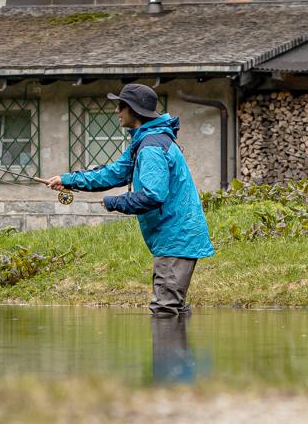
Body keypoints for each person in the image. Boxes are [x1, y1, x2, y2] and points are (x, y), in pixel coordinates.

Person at [43, 83, 215, 314]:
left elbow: (153, 196)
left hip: (176, 237)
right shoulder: (146, 140)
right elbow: (115, 173)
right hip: (173, 236)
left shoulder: (152, 147)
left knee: (166, 310)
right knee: (173, 310)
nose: (117, 111)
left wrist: (115, 203)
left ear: (133, 110)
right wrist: (68, 180)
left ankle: (172, 350)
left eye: (121, 106)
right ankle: (178, 350)